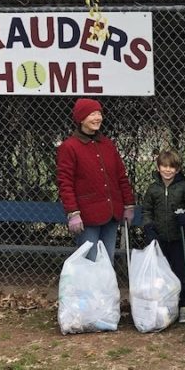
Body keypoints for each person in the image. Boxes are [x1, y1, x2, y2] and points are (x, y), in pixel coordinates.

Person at [56, 98, 136, 262]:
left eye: (99, 113)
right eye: (92, 114)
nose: (97, 118)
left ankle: (106, 289)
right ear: (81, 118)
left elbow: (121, 176)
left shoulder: (107, 144)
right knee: (90, 262)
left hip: (112, 213)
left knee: (107, 260)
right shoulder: (69, 147)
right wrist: (73, 213)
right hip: (87, 216)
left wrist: (128, 205)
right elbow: (65, 182)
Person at [141, 150, 185, 323]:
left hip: (178, 238)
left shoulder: (184, 188)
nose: (167, 170)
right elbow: (147, 210)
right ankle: (163, 305)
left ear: (177, 169)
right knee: (160, 275)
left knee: (181, 272)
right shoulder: (153, 189)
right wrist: (149, 226)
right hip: (159, 238)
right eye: (164, 166)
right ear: (158, 168)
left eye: (172, 167)